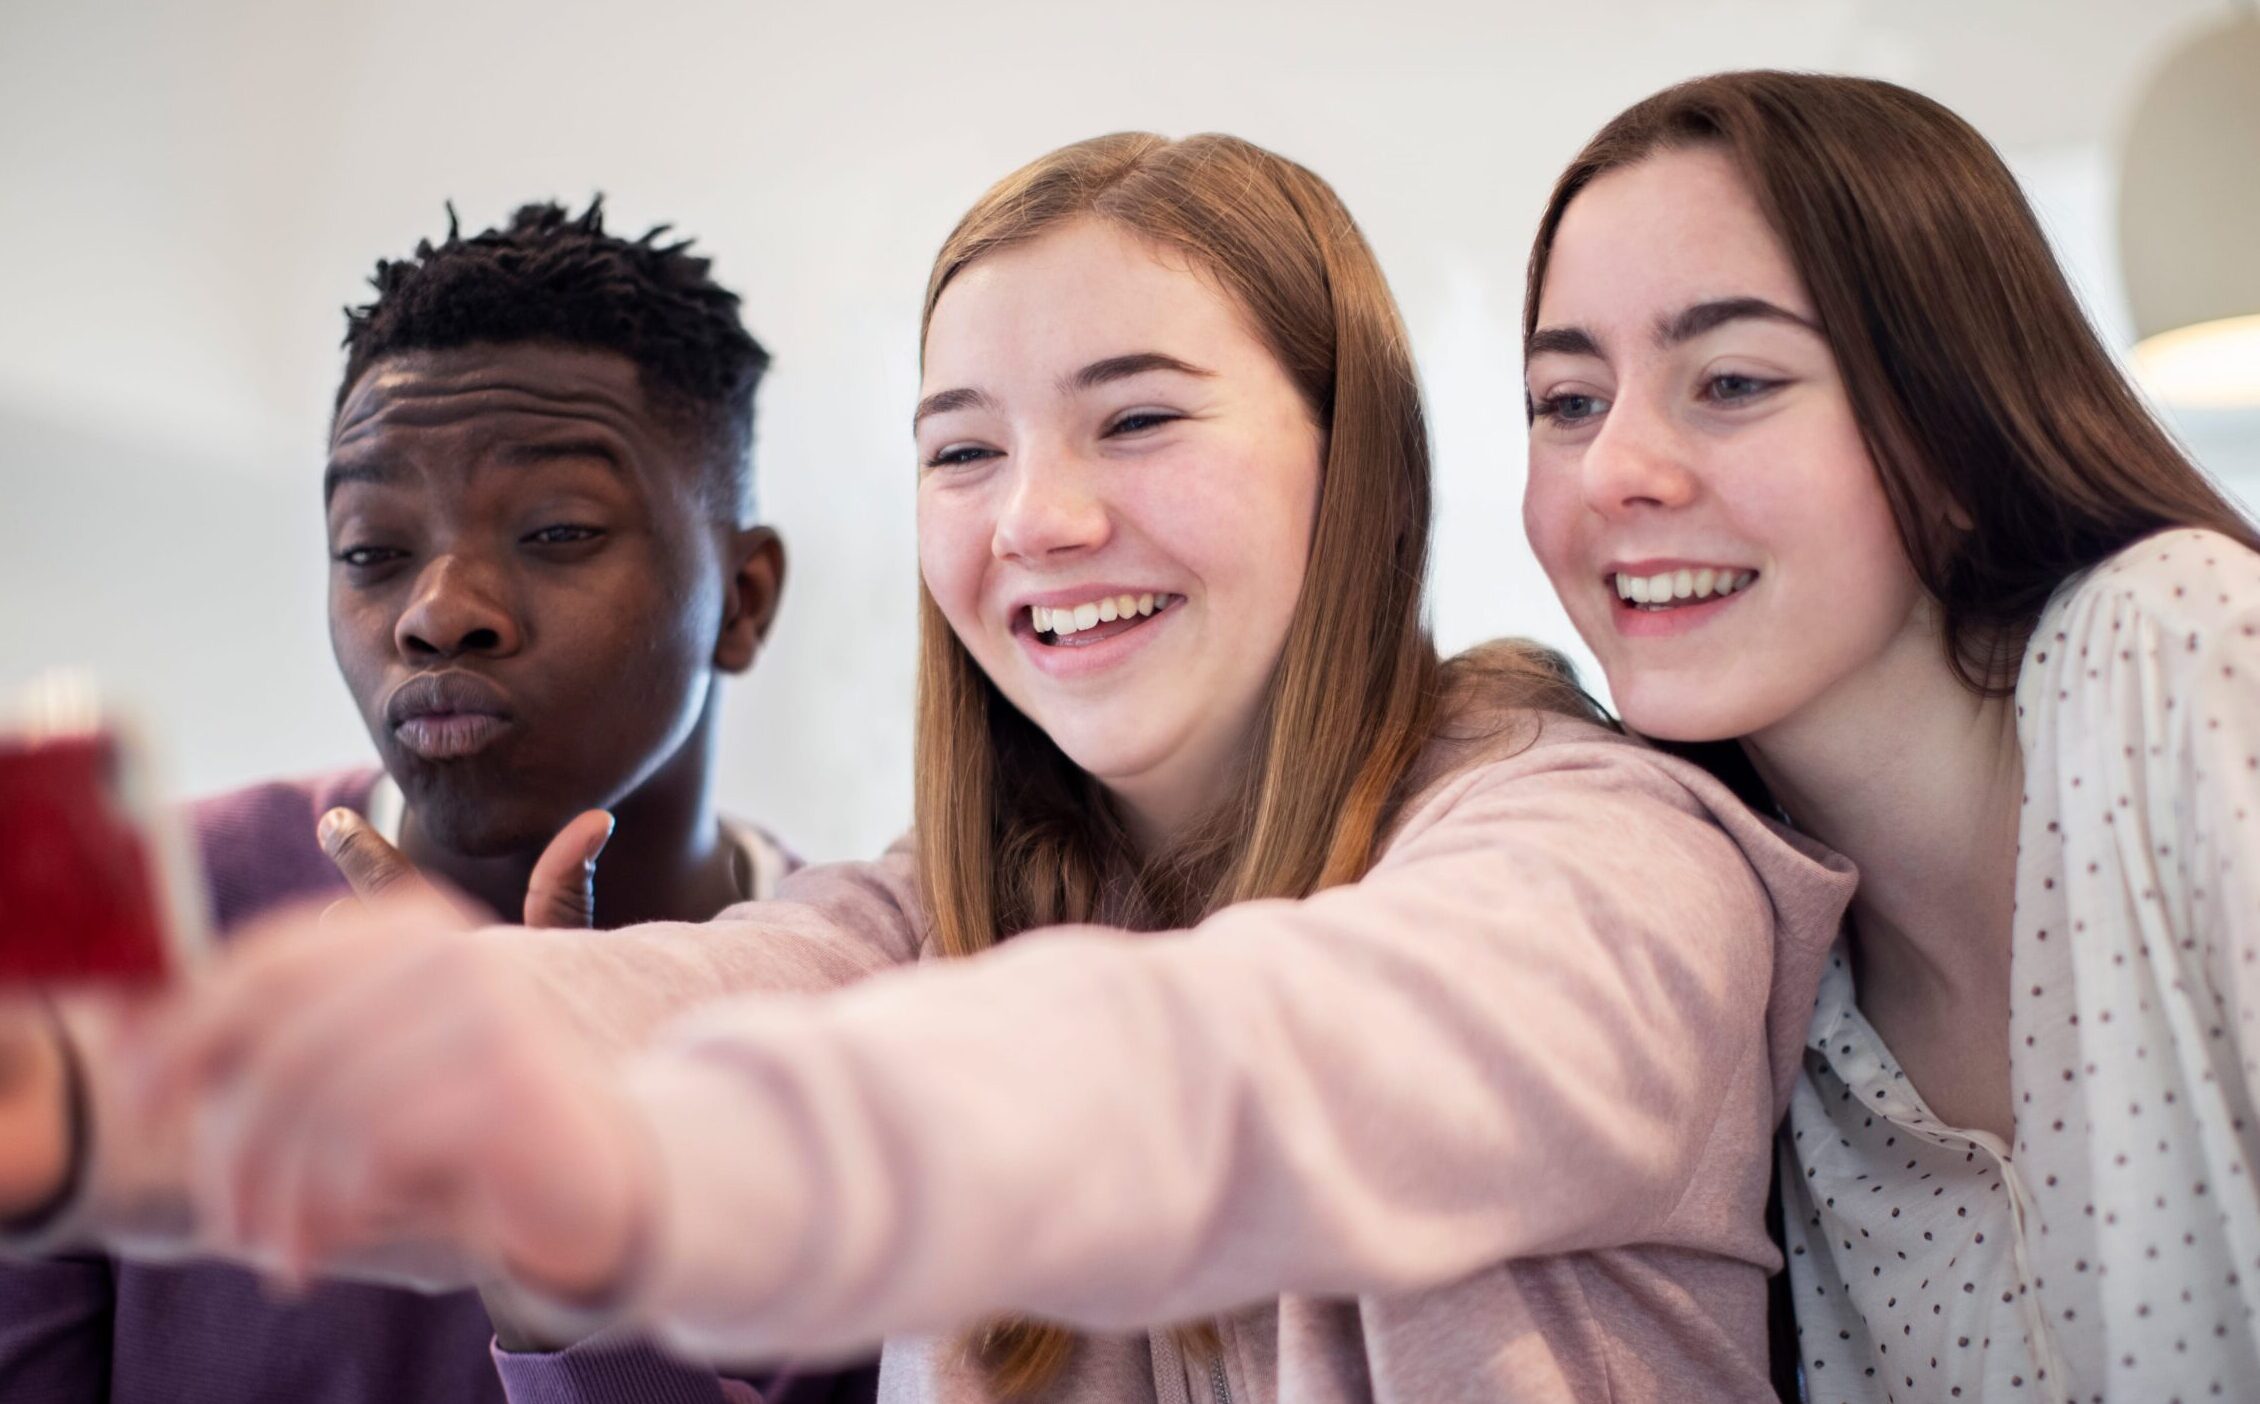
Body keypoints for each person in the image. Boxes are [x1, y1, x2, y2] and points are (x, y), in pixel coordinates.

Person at [8, 133, 1853, 1402]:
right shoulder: (925, 904)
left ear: (1349, 454)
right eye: (962, 451)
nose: (1040, 517)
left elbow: (1237, 1065)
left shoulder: (1605, 853)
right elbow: (714, 988)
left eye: (1135, 416)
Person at [0, 199, 874, 1404]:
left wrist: (557, 1256)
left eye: (557, 529)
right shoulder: (143, 930)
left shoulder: (877, 1028)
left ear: (743, 599)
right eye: (372, 551)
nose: (437, 610)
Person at [1517, 70, 2260, 1403]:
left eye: (1732, 380)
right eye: (1568, 401)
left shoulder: (2181, 649)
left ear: (1957, 430)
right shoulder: (1753, 999)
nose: (1612, 469)